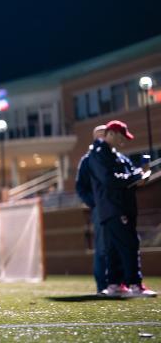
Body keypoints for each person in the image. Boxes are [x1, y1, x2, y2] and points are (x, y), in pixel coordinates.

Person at [87, 120, 156, 297]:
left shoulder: (113, 154)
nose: (124, 141)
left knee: (115, 248)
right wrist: (135, 176)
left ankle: (115, 284)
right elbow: (110, 179)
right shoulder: (100, 153)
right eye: (121, 137)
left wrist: (141, 174)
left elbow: (127, 177)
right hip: (115, 207)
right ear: (111, 134)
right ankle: (134, 284)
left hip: (115, 207)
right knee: (130, 244)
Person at [75, 125, 124, 296]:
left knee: (118, 246)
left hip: (116, 208)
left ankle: (118, 283)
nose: (103, 138)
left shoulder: (115, 157)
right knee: (102, 247)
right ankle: (102, 286)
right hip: (101, 209)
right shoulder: (88, 160)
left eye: (105, 134)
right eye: (100, 135)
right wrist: (95, 203)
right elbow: (80, 188)